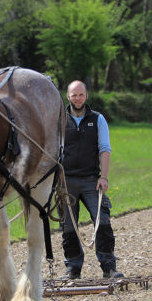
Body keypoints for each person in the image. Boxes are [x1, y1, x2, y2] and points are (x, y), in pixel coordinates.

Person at [60, 80, 122, 280]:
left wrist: (104, 177)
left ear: (86, 96)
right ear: (67, 96)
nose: (77, 98)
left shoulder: (98, 119)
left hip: (90, 180)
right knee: (68, 227)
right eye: (73, 95)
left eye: (81, 94)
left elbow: (105, 149)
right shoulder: (59, 120)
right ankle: (73, 269)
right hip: (66, 182)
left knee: (102, 221)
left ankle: (109, 267)